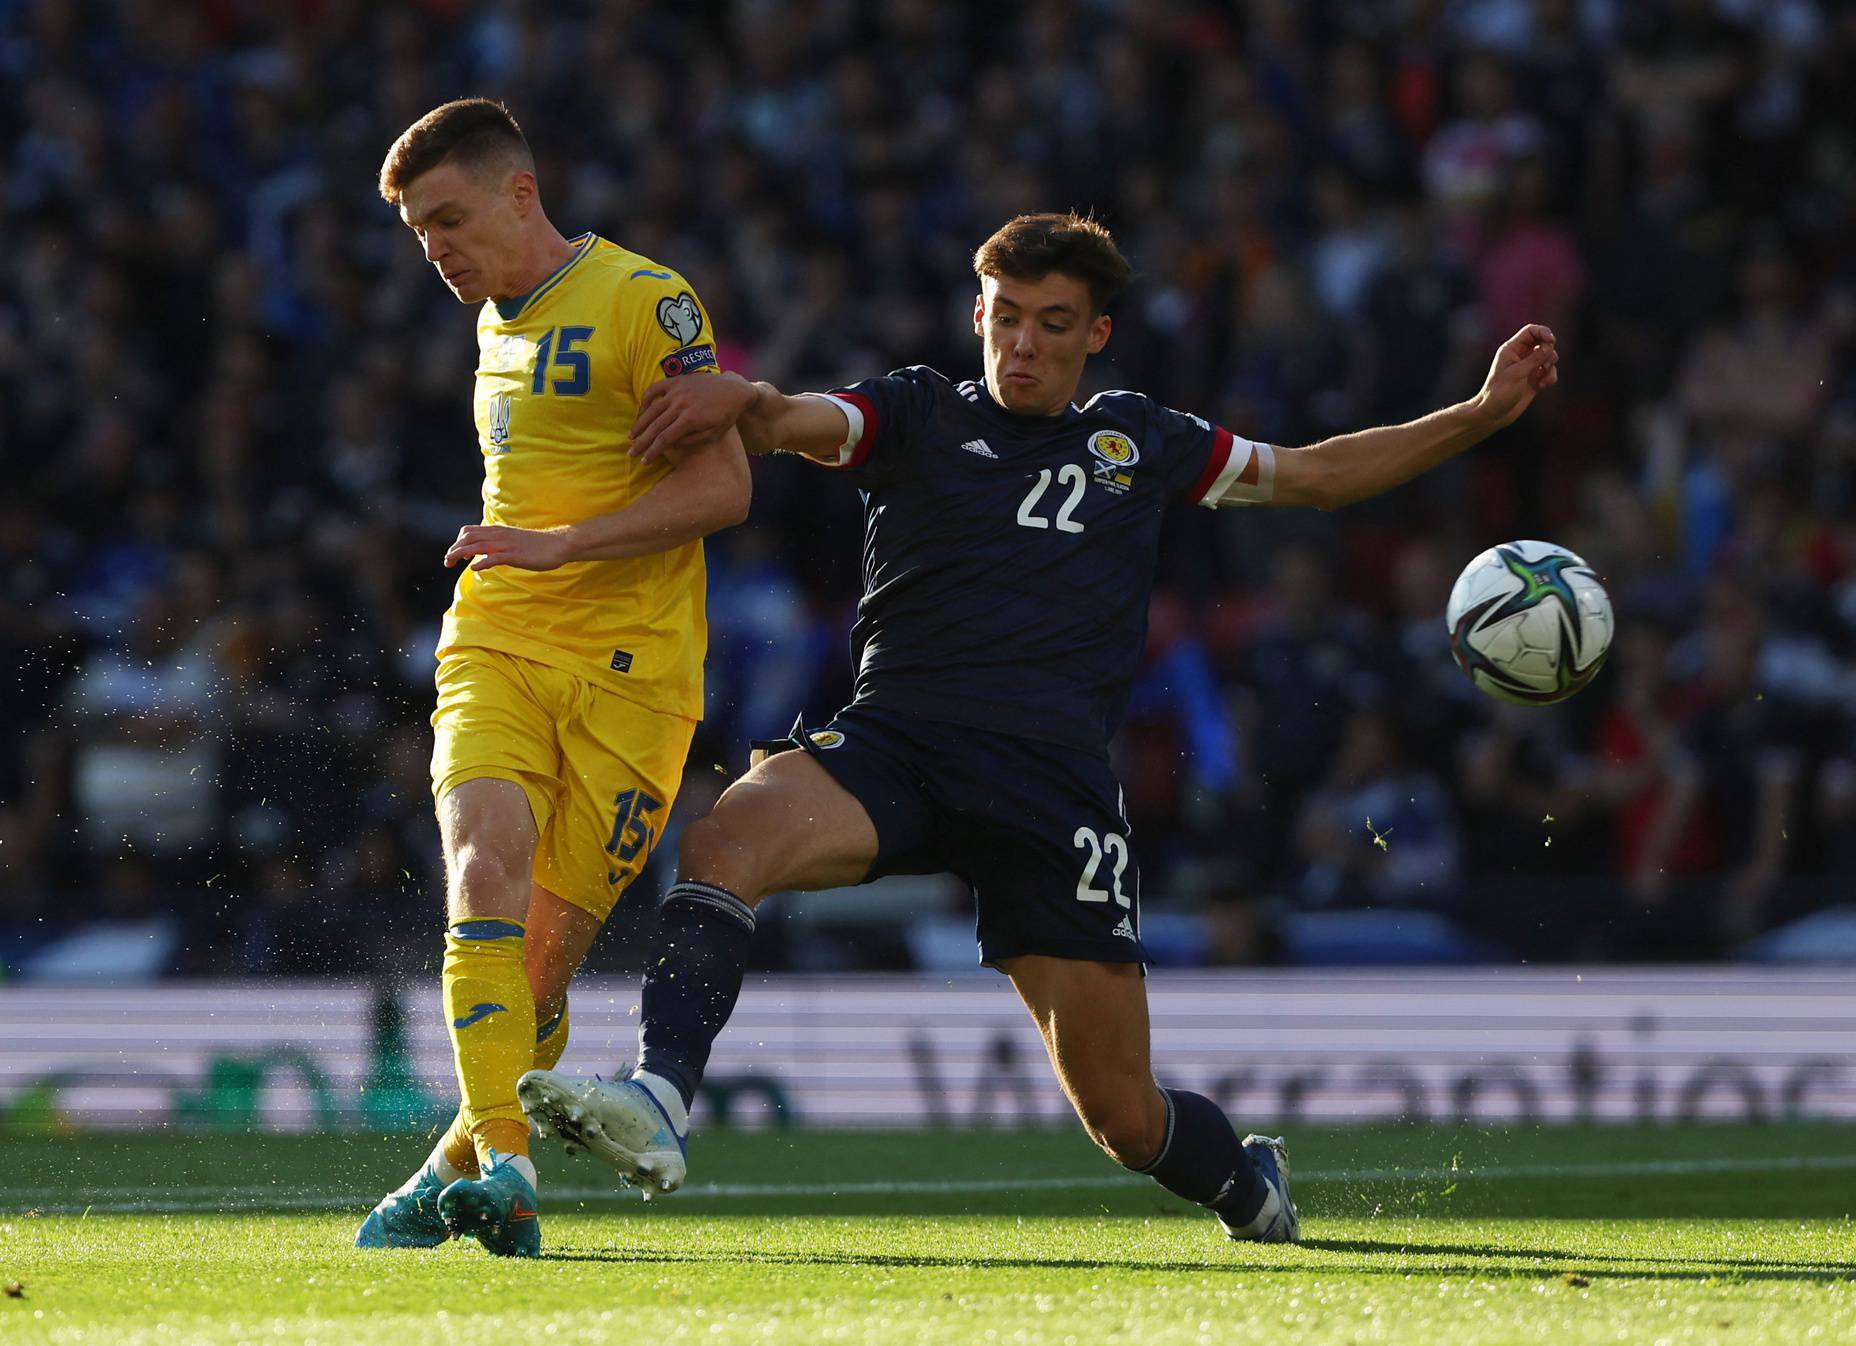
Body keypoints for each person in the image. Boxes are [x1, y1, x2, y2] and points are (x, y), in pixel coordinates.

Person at [519, 212, 1558, 1244]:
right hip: (898, 748)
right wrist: (741, 398)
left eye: (1055, 323)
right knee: (722, 838)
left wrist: (1477, 411)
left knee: (1123, 1116)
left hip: (1050, 791)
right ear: (978, 313)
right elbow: (797, 420)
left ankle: (1247, 1186)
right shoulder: (917, 411)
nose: (1025, 343)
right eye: (1007, 317)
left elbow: (1322, 474)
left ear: (1096, 333)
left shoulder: (1142, 441)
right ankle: (660, 1094)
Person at [354, 99, 749, 1258]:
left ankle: (447, 1176)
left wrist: (566, 540)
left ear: (521, 193)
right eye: (422, 234)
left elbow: (726, 489)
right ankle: (512, 1168)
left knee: (538, 967)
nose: (438, 250)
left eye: (450, 219)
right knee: (481, 862)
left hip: (637, 684)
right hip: (501, 643)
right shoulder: (492, 326)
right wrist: (533, 558)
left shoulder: (646, 300)